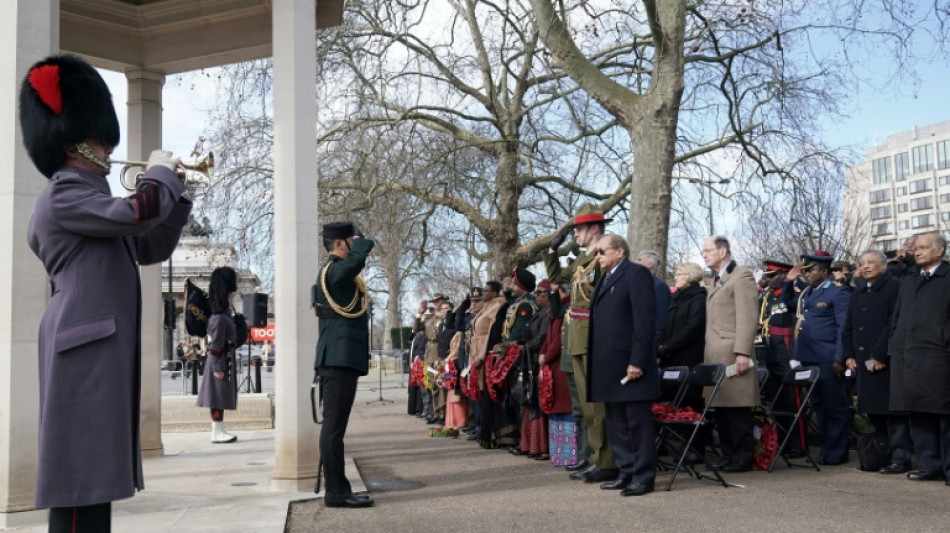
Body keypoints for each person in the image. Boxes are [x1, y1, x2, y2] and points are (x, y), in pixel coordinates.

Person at [21, 55, 192, 532]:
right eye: (101, 139)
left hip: (95, 351)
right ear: (76, 142)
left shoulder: (91, 199)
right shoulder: (64, 193)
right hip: (82, 352)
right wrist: (160, 175)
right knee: (80, 488)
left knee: (94, 489)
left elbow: (149, 242)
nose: (109, 148)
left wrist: (179, 195)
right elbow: (138, 212)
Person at [544, 204, 616, 483]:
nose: (574, 234)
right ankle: (591, 456)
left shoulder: (601, 258)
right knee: (583, 406)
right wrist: (551, 251)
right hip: (574, 336)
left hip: (589, 336)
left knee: (594, 404)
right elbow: (556, 278)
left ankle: (604, 460)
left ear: (594, 230)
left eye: (579, 229)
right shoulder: (582, 260)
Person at [588, 235, 658, 496]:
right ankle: (626, 471)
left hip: (630, 364)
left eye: (602, 251)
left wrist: (637, 360)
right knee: (616, 422)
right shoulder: (605, 278)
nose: (598, 257)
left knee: (637, 423)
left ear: (619, 251)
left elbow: (644, 320)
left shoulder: (636, 274)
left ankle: (643, 476)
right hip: (608, 365)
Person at [313, 222, 375, 508]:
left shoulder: (336, 274)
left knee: (334, 428)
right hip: (337, 361)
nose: (356, 244)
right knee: (334, 429)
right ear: (340, 244)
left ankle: (337, 489)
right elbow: (356, 260)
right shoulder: (335, 272)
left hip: (339, 360)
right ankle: (336, 492)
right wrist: (361, 241)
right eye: (351, 240)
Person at [842, 250, 911, 474]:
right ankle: (883, 453)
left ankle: (901, 457)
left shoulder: (894, 287)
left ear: (883, 265)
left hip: (885, 360)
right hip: (862, 360)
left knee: (893, 412)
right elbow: (849, 326)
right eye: (863, 264)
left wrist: (881, 354)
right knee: (875, 411)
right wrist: (849, 354)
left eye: (871, 263)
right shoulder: (860, 290)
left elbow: (894, 323)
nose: (866, 267)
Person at [889, 232, 950, 483]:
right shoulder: (909, 280)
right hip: (909, 358)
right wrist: (895, 347)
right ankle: (929, 465)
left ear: (940, 250)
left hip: (939, 356)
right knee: (918, 413)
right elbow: (897, 318)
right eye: (916, 249)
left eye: (924, 248)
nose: (917, 252)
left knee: (945, 415)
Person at [783, 251, 852, 465]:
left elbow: (843, 328)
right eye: (805, 272)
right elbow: (789, 303)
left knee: (836, 408)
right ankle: (827, 450)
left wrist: (840, 358)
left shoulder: (838, 293)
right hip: (809, 358)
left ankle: (838, 452)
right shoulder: (808, 294)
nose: (807, 275)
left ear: (824, 271)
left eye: (810, 271)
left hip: (828, 358)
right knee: (820, 407)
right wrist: (789, 282)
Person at [701, 236, 759, 472]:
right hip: (715, 353)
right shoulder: (716, 280)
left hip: (734, 353)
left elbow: (748, 317)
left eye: (707, 250)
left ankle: (743, 457)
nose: (703, 255)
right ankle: (728, 455)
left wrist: (743, 352)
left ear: (723, 250)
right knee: (722, 410)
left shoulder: (741, 276)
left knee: (737, 409)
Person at [656, 262, 708, 461]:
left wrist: (669, 347)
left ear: (691, 276)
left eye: (679, 274)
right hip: (670, 358)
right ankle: (667, 443)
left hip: (689, 358)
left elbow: (693, 327)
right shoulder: (674, 298)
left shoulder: (698, 298)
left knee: (691, 403)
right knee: (670, 401)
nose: (675, 277)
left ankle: (695, 449)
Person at [757, 259, 804, 455]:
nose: (768, 279)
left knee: (792, 399)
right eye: (767, 276)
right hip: (769, 351)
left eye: (772, 276)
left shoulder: (793, 292)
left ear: (784, 276)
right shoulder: (766, 297)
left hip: (786, 351)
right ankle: (782, 442)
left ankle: (798, 444)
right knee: (776, 401)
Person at [196, 267, 240, 443]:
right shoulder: (219, 319)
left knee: (219, 397)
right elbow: (216, 346)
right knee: (217, 397)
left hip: (223, 360)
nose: (232, 299)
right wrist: (218, 368)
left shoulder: (223, 316)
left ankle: (219, 428)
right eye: (230, 296)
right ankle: (216, 431)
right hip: (220, 362)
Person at [539, 284, 577, 466]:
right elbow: (549, 338)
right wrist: (543, 353)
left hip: (561, 363)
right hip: (552, 366)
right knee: (554, 407)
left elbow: (560, 339)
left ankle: (570, 454)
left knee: (565, 407)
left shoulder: (568, 310)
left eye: (559, 292)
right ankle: (559, 453)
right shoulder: (556, 312)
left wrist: (546, 356)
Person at [515, 279, 552, 459]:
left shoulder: (548, 314)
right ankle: (529, 444)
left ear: (548, 295)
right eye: (536, 293)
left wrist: (524, 347)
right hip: (529, 359)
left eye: (540, 293)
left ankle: (542, 447)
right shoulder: (538, 313)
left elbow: (542, 337)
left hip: (538, 360)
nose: (536, 296)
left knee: (537, 401)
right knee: (529, 401)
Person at [636, 250, 671, 351]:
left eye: (639, 260)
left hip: (647, 347)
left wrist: (653, 348)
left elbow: (660, 321)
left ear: (649, 264)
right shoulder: (636, 284)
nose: (635, 262)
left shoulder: (660, 287)